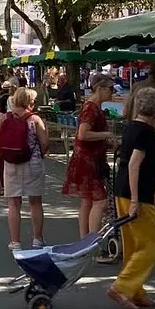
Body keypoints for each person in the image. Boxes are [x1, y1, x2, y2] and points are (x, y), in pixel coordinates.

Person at [108, 86, 155, 309]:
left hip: (122, 190)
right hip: (137, 194)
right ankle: (122, 286)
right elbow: (134, 165)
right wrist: (135, 200)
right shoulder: (146, 133)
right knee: (150, 245)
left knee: (132, 245)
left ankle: (135, 290)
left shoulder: (131, 127)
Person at [0, 86, 49, 250]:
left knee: (13, 203)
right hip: (33, 162)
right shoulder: (35, 119)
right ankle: (37, 239)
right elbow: (44, 142)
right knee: (35, 202)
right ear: (29, 102)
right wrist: (41, 153)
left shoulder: (4, 118)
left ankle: (15, 241)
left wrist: (3, 153)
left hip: (12, 163)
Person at [61, 74, 115, 238]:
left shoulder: (92, 106)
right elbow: (83, 134)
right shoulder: (91, 108)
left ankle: (84, 241)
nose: (112, 92)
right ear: (100, 88)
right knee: (100, 202)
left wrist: (105, 141)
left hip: (88, 159)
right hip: (88, 161)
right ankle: (92, 242)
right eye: (110, 88)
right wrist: (106, 135)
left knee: (87, 201)